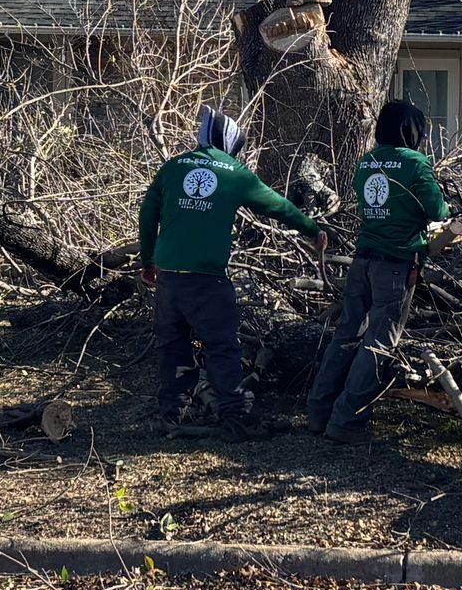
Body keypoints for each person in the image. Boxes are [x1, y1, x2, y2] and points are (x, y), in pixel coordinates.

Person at [139, 106, 327, 439]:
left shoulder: (173, 167)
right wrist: (311, 230)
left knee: (173, 346)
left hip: (169, 276)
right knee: (221, 347)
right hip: (207, 279)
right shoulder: (235, 172)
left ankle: (171, 415)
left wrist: (148, 262)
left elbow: (148, 211)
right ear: (229, 142)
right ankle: (235, 417)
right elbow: (278, 206)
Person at [306, 100, 451, 444]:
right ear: (412, 131)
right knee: (380, 342)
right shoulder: (415, 163)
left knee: (347, 333)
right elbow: (437, 210)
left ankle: (319, 410)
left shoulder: (366, 161)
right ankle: (348, 420)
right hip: (396, 263)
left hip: (363, 260)